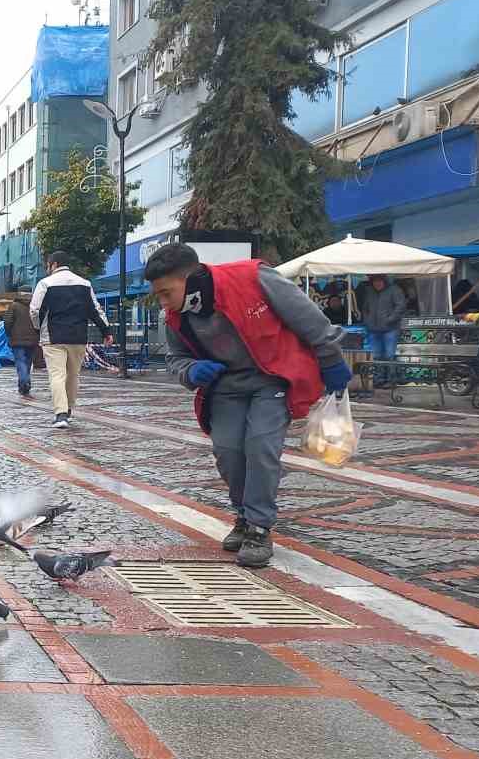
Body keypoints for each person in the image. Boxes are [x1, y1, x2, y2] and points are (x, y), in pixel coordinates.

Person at [143, 242, 351, 568]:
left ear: (190, 278)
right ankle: (243, 514)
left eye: (166, 293)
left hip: (272, 379)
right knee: (228, 451)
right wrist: (191, 370)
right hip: (225, 388)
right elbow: (175, 358)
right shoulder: (176, 317)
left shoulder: (254, 277)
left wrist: (331, 359)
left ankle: (258, 527)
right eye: (159, 295)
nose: (163, 302)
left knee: (260, 446)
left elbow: (308, 318)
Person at [29, 251, 110, 428]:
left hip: (53, 337)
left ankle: (61, 414)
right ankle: (69, 409)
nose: (47, 269)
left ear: (54, 264)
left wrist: (37, 328)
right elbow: (95, 310)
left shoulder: (45, 283)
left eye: (48, 265)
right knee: (73, 375)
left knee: (57, 375)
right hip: (78, 337)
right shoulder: (85, 284)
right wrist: (106, 332)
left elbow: (35, 310)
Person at [357, 274, 406, 385]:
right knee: (376, 356)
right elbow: (365, 308)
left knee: (389, 356)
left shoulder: (394, 289)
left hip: (390, 328)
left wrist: (390, 319)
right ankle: (379, 379)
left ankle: (390, 380)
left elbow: (401, 306)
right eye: (375, 281)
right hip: (373, 329)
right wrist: (367, 321)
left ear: (384, 281)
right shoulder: (369, 291)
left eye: (379, 281)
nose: (377, 283)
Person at [3, 296, 39, 398]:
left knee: (20, 361)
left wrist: (10, 334)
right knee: (28, 362)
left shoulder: (14, 306)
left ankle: (24, 381)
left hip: (17, 340)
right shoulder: (34, 306)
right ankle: (23, 386)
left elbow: (7, 322)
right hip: (32, 340)